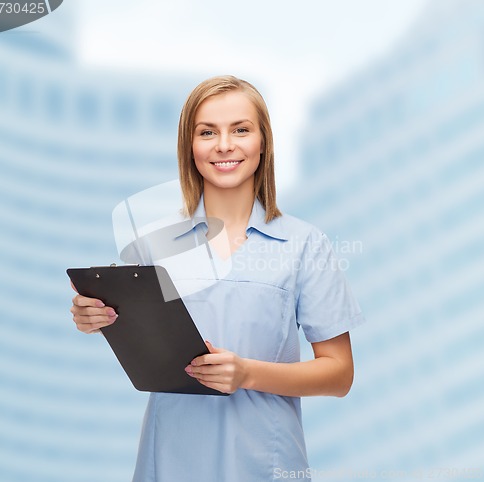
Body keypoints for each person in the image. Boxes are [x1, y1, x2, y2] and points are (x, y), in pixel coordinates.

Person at [70, 75, 365, 482]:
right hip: (169, 459)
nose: (224, 145)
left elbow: (339, 374)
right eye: (208, 132)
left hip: (265, 462)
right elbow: (133, 333)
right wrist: (94, 318)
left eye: (240, 130)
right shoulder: (152, 246)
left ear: (264, 143)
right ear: (189, 147)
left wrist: (247, 374)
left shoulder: (304, 245)